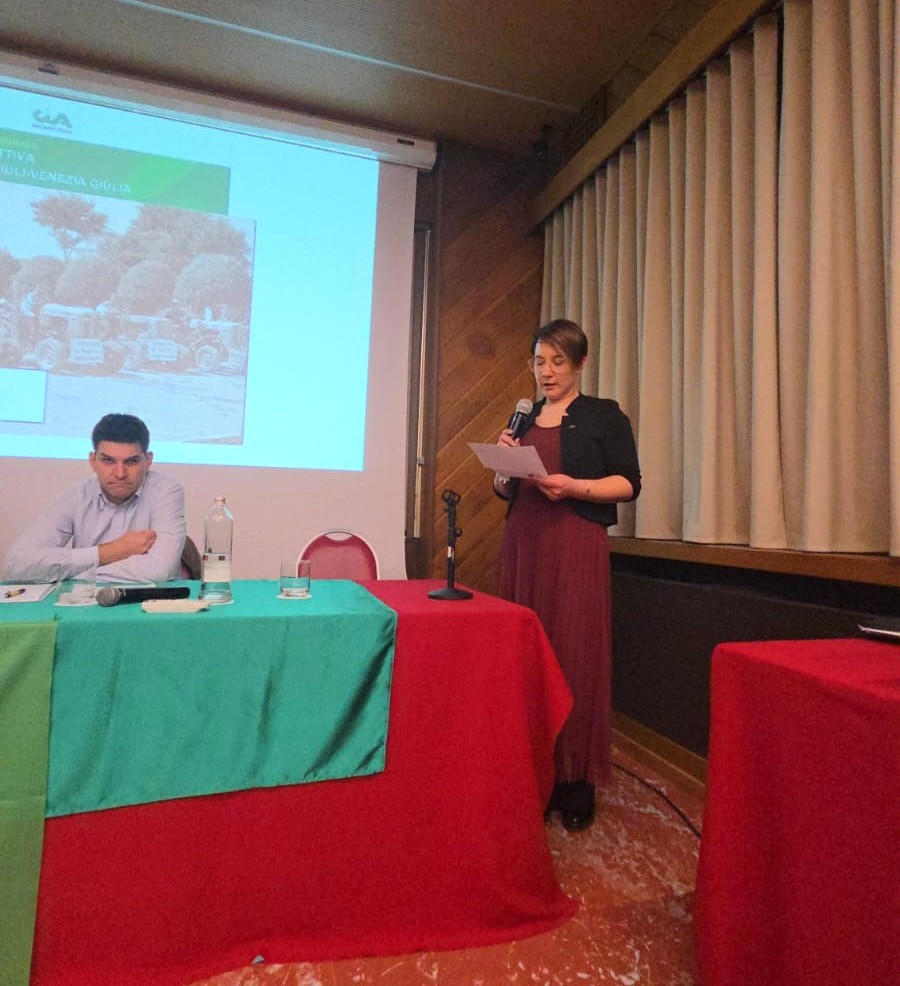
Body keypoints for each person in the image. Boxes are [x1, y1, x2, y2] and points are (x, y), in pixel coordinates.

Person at [494, 319, 641, 832]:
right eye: (539, 362)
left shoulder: (604, 414)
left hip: (574, 543)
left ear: (580, 363)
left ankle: (574, 781)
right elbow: (505, 490)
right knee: (527, 657)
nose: (547, 371)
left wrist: (576, 487)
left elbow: (629, 483)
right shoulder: (524, 418)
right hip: (525, 543)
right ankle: (532, 772)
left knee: (574, 654)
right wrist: (503, 466)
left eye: (558, 361)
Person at [2, 413, 186, 584]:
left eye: (131, 462)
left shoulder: (166, 491)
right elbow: (16, 564)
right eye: (108, 461)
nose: (120, 474)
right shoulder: (76, 495)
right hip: (85, 602)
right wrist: (108, 552)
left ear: (148, 461)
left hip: (147, 603)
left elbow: (161, 569)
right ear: (93, 460)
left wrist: (74, 575)